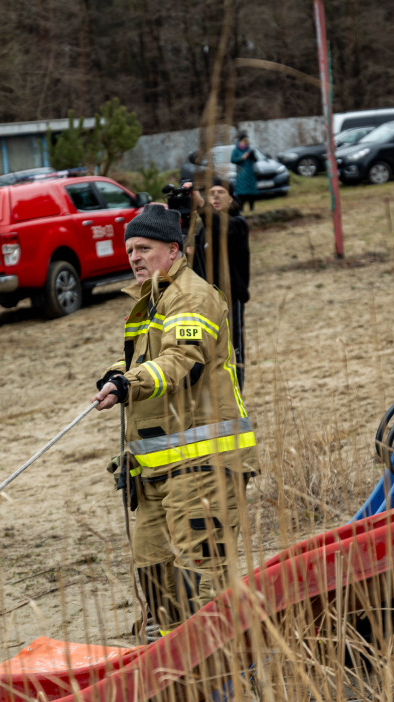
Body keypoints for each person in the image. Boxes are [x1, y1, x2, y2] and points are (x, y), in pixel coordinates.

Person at [92, 204, 259, 637]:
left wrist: (131, 383)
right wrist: (117, 373)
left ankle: (225, 680)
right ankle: (169, 676)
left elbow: (183, 359)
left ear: (174, 250)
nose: (134, 258)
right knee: (154, 574)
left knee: (199, 585)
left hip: (202, 468)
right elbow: (145, 356)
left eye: (144, 248)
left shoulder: (191, 295)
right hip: (154, 471)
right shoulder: (151, 300)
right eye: (129, 250)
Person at [191, 178, 250, 392]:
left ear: (231, 198)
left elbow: (221, 229)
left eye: (220, 192)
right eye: (210, 193)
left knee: (233, 350)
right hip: (206, 302)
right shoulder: (203, 230)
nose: (214, 197)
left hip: (230, 298)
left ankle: (237, 395)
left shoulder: (237, 224)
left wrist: (201, 206)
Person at [231, 132, 258, 212]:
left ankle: (252, 207)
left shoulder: (249, 149)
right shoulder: (236, 150)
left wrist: (252, 155)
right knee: (242, 192)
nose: (246, 142)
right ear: (241, 141)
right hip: (241, 173)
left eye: (247, 141)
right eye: (244, 140)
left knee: (252, 192)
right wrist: (242, 157)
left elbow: (255, 160)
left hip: (250, 173)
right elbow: (232, 160)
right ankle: (241, 208)